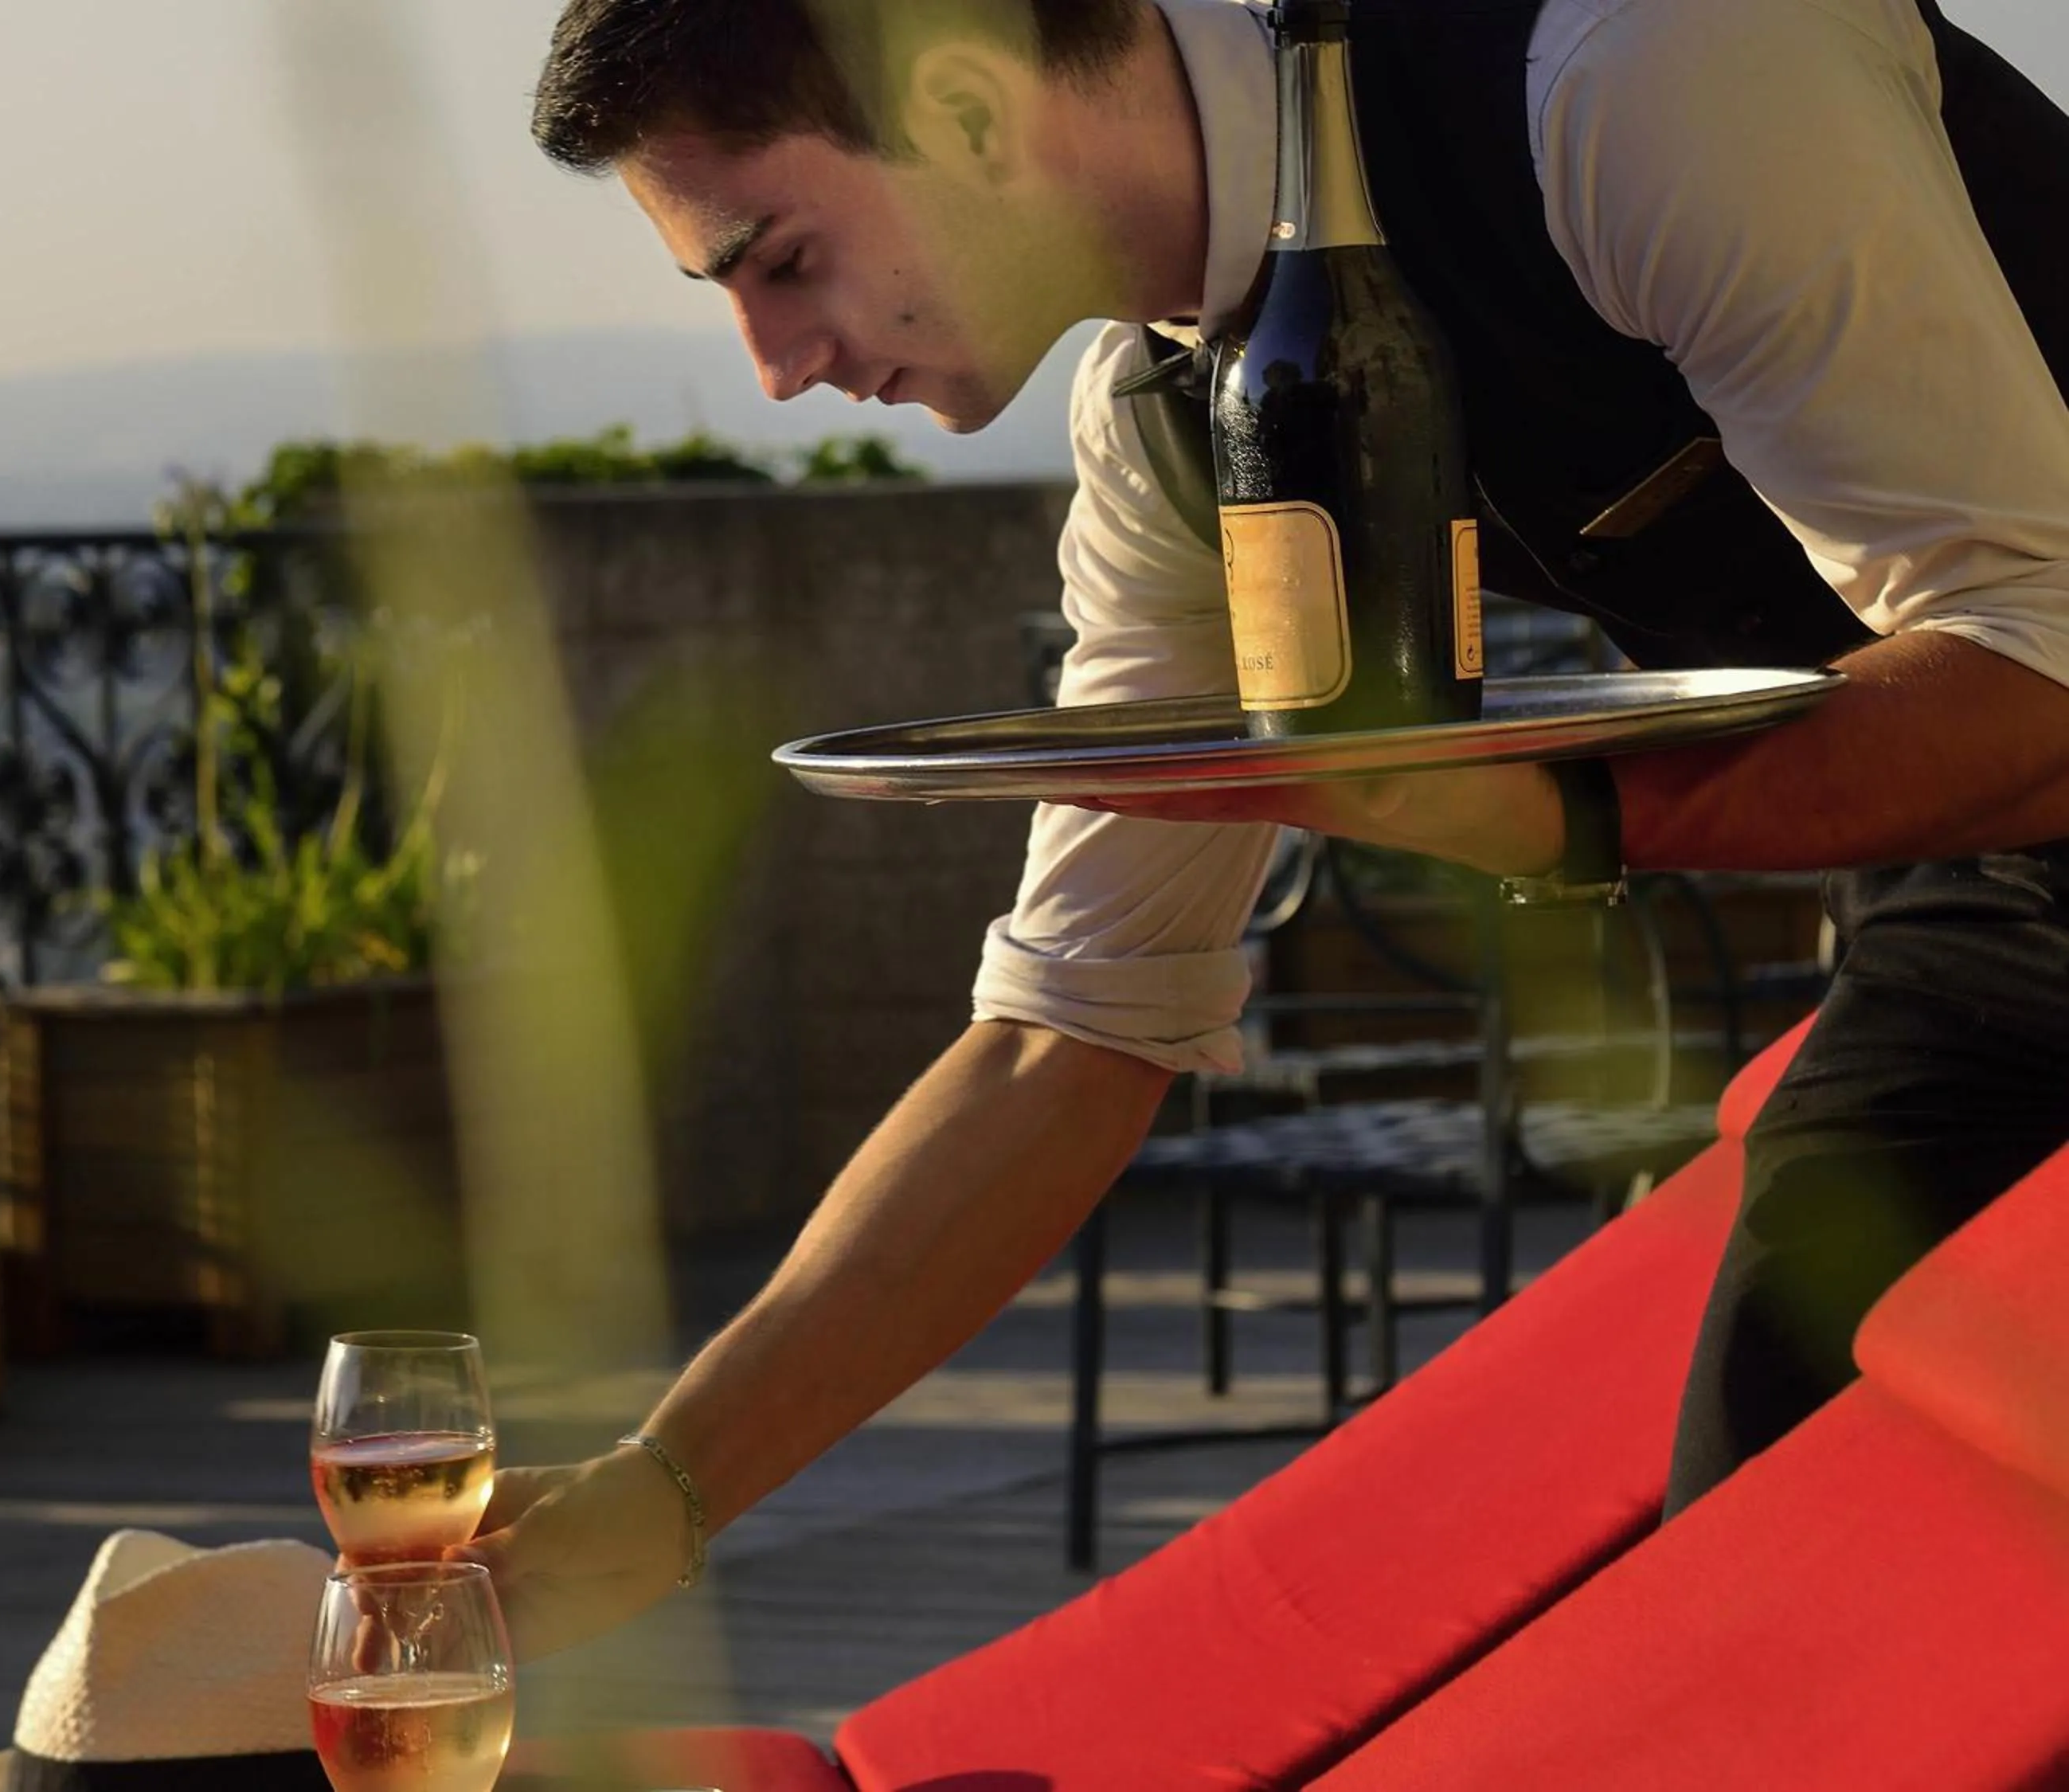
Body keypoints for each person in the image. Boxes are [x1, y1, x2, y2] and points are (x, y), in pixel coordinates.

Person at [463, 0, 2069, 1657]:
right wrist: (666, 1489)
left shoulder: (1638, 67)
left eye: (779, 258)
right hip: (1986, 913)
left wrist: (1546, 814)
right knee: (1770, 1583)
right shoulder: (1166, 426)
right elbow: (1069, 1034)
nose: (775, 365)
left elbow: (2040, 668)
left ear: (959, 106)